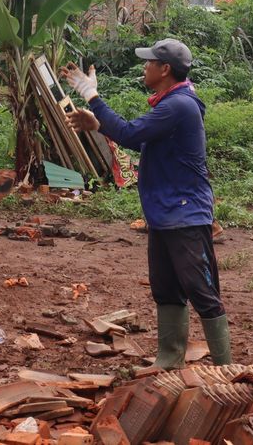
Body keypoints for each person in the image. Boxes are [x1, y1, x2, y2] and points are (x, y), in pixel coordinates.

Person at [60, 39, 231, 369]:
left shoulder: (179, 105)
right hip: (166, 212)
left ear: (165, 69)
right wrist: (99, 124)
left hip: (185, 213)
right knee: (165, 288)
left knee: (201, 290)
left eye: (149, 62)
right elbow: (140, 139)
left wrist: (91, 95)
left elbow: (129, 132)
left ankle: (227, 369)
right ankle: (169, 359)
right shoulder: (170, 103)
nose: (144, 67)